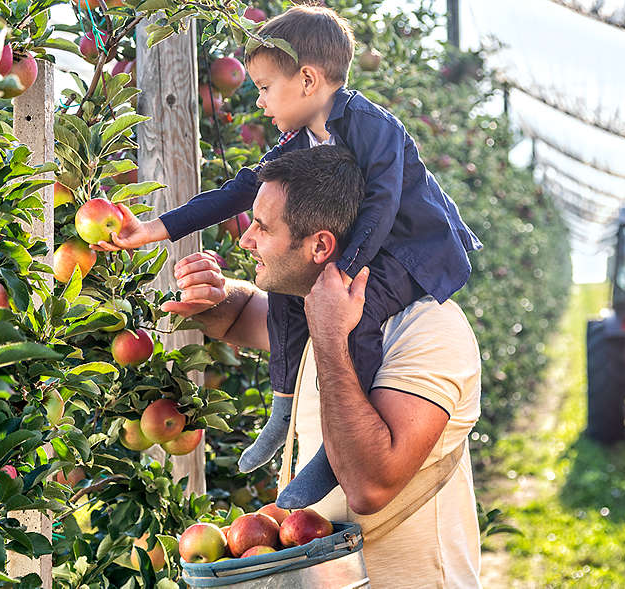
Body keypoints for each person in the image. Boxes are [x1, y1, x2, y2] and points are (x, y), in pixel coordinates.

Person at [92, 4, 481, 509]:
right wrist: (152, 230)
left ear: (307, 80)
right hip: (366, 242)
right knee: (284, 289)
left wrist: (341, 275)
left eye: (264, 86)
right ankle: (283, 408)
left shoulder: (371, 125)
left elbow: (383, 205)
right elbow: (238, 191)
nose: (257, 100)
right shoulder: (299, 141)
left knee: (354, 316)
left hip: (413, 250)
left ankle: (331, 457)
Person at [163, 145, 482, 587]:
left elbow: (369, 487)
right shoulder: (318, 310)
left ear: (320, 245)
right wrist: (216, 295)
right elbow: (238, 317)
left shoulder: (427, 330)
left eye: (262, 226)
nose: (245, 240)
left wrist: (331, 336)